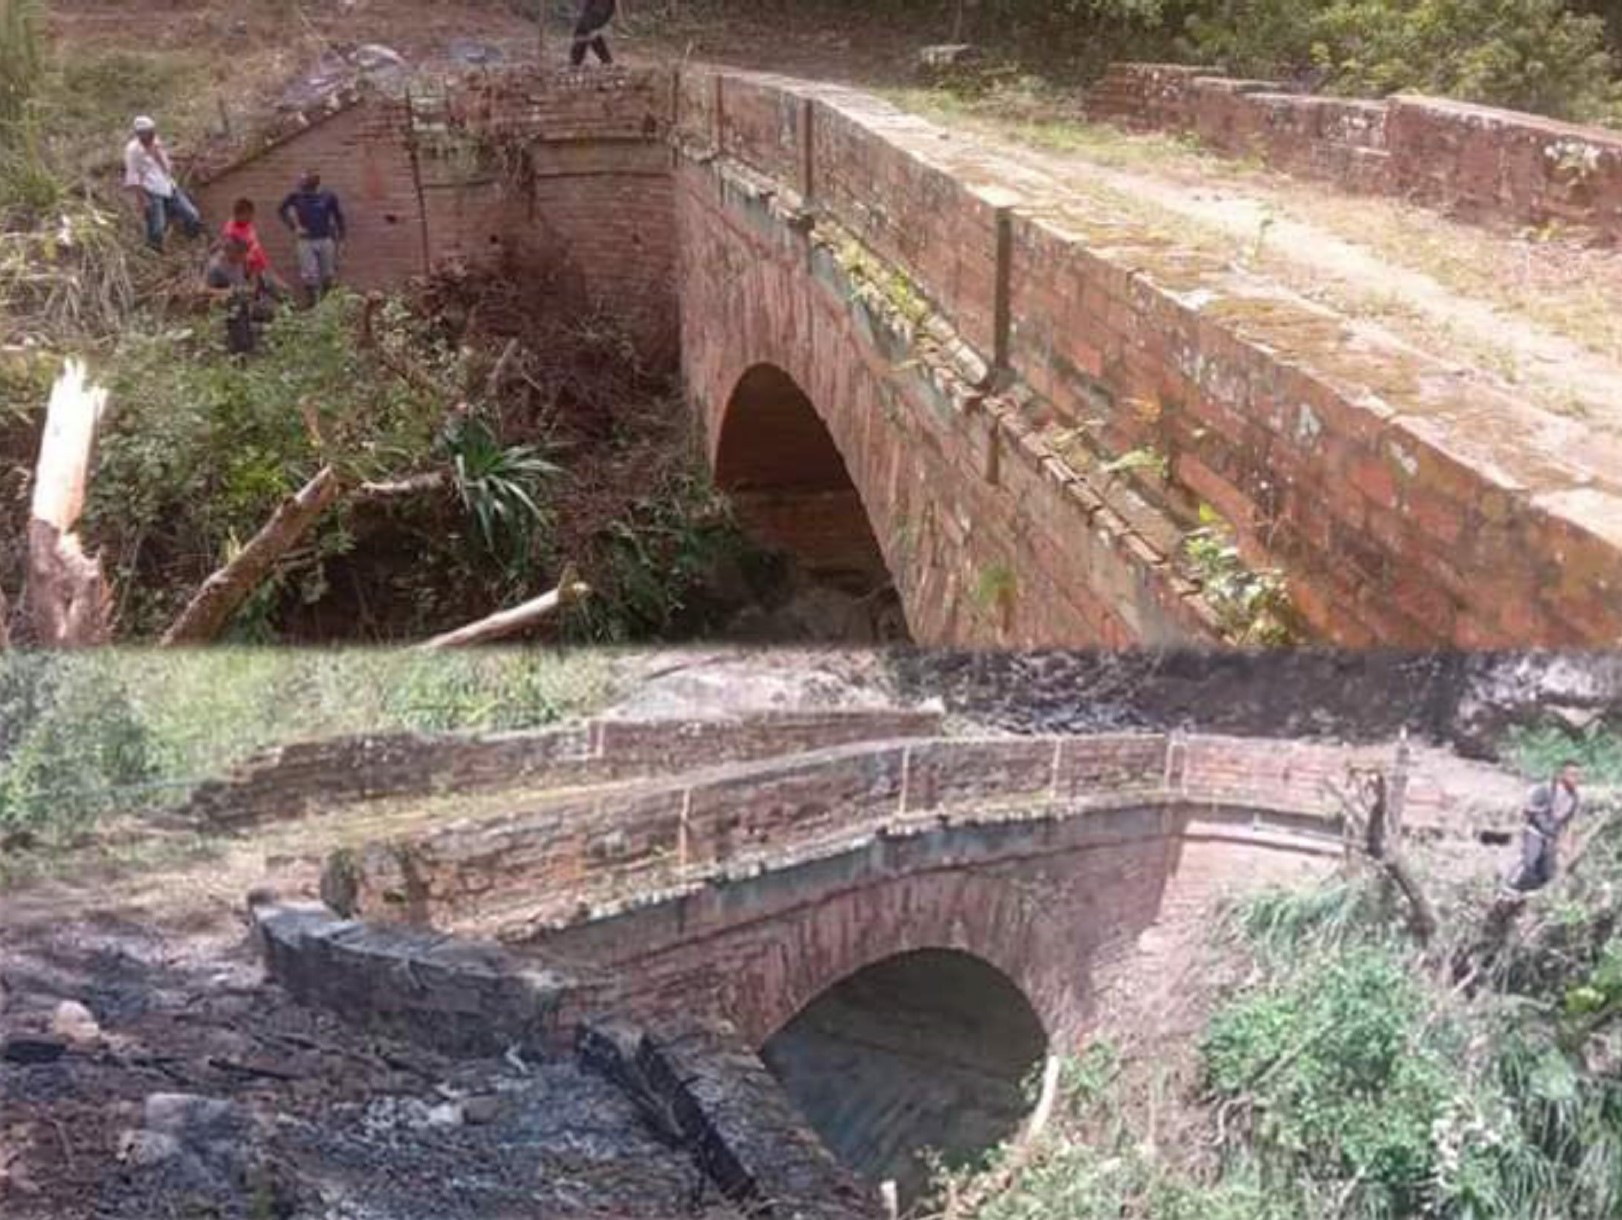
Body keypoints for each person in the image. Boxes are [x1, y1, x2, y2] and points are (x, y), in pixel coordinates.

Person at [123, 115, 203, 251]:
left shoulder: (155, 141)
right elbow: (133, 177)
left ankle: (192, 240)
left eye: (152, 131)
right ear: (140, 134)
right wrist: (142, 201)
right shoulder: (132, 150)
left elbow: (166, 167)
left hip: (167, 185)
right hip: (151, 190)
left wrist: (157, 154)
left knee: (192, 215)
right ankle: (154, 250)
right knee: (157, 228)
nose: (152, 134)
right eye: (148, 132)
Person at [1509, 759, 1582, 892]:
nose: (1576, 778)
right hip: (1535, 832)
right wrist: (1544, 824)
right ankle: (1510, 886)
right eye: (1573, 774)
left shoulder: (1574, 798)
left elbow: (1570, 823)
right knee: (1529, 862)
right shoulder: (1546, 790)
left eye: (1578, 775)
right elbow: (1529, 809)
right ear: (1562, 775)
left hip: (1552, 837)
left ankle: (1531, 893)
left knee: (1546, 872)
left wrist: (1567, 843)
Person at [276, 171, 346, 304]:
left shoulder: (328, 196)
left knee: (328, 274)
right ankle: (313, 303)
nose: (305, 189)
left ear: (316, 184)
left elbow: (338, 217)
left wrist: (342, 238)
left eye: (307, 186)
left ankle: (326, 303)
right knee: (309, 275)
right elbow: (281, 210)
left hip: (325, 238)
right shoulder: (296, 196)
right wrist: (294, 227)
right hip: (306, 240)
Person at [203, 235, 264, 355]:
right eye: (241, 254)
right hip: (226, 305)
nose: (243, 258)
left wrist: (250, 287)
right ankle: (240, 349)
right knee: (238, 320)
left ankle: (249, 344)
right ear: (230, 251)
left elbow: (248, 277)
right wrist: (227, 292)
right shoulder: (216, 267)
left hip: (242, 300)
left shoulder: (240, 261)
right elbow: (203, 289)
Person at [220, 198, 289, 301]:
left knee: (280, 288)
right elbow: (235, 253)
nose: (251, 218)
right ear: (240, 214)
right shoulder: (231, 232)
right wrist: (251, 270)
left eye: (251, 215)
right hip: (252, 268)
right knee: (269, 290)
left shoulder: (245, 224)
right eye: (248, 215)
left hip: (262, 264)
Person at [570, 0, 616, 66]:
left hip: (600, 8)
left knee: (583, 31)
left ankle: (575, 61)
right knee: (589, 33)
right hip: (595, 8)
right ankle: (606, 60)